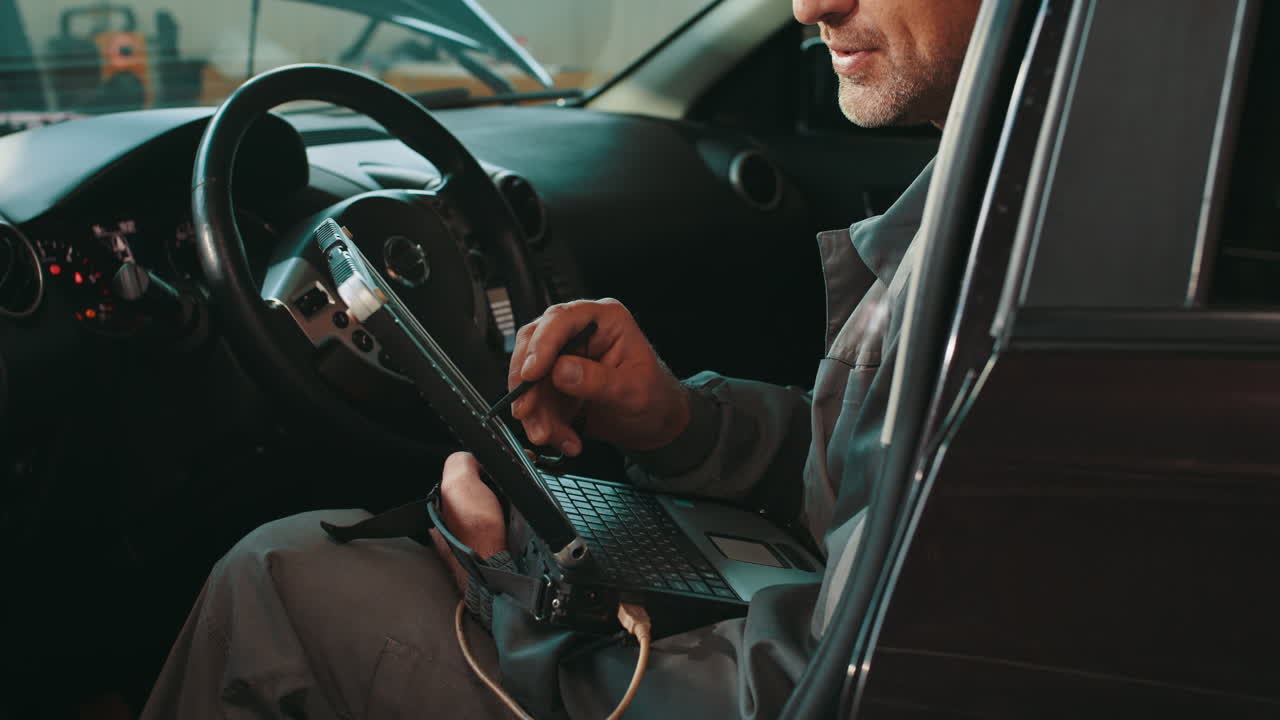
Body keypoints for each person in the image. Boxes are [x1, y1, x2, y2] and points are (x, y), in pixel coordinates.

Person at [141, 0, 983, 717]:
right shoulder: (1002, 196)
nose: (806, 7)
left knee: (275, 580)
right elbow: (885, 460)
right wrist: (683, 426)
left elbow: (815, 690)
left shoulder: (1022, 269)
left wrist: (511, 589)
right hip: (798, 612)